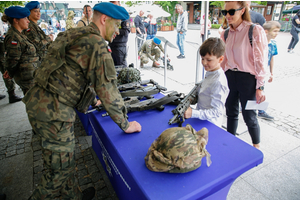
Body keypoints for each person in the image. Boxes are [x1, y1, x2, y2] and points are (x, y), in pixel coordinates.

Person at [22, 2, 141, 199]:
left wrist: (92, 101)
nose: (118, 31)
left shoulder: (73, 34)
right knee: (57, 172)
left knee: (64, 159)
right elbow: (108, 89)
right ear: (104, 19)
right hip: (54, 112)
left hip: (41, 102)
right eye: (117, 24)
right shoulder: (97, 45)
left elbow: (68, 72)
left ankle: (74, 196)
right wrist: (126, 124)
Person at [220, 1, 269, 149]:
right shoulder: (225, 33)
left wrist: (260, 86)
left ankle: (256, 146)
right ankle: (230, 142)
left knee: (249, 116)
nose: (228, 16)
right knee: (231, 112)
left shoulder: (254, 30)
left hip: (247, 79)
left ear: (242, 10)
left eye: (231, 12)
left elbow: (261, 59)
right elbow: (223, 60)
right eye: (225, 12)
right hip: (230, 77)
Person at [184, 38, 229, 127]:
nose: (204, 62)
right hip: (201, 120)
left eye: (209, 60)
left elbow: (217, 112)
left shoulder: (218, 81)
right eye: (202, 58)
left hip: (210, 124)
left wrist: (193, 113)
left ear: (220, 59)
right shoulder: (211, 72)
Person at [2, 6, 39, 95]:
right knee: (33, 105)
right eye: (25, 18)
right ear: (16, 20)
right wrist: (10, 72)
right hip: (27, 79)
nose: (28, 21)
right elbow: (12, 59)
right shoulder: (13, 37)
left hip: (31, 76)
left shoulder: (19, 34)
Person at [257, 21, 281, 120]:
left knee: (262, 91)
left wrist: (271, 72)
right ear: (266, 32)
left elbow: (271, 58)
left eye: (278, 31)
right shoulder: (258, 43)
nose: (276, 34)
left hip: (264, 73)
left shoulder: (273, 44)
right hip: (256, 72)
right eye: (274, 31)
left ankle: (261, 111)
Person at [0, 29, 23, 103]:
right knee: (7, 75)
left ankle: (12, 94)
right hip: (1, 58)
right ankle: (11, 94)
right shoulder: (12, 35)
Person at [109, 1, 130, 67]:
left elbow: (126, 31)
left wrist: (114, 30)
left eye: (114, 3)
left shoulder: (123, 16)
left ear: (119, 5)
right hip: (111, 45)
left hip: (120, 47)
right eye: (111, 3)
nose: (113, 6)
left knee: (121, 69)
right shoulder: (110, 15)